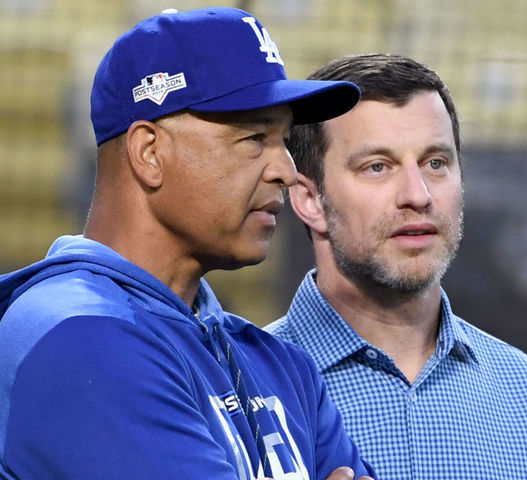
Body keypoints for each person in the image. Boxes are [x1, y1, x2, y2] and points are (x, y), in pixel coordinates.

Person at [0, 8, 376, 480]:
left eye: (285, 140)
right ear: (150, 153)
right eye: (255, 137)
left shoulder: (280, 363)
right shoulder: (76, 334)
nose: (284, 169)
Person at [266, 53, 527, 479]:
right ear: (309, 200)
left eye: (435, 163)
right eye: (377, 167)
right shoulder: (232, 389)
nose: (418, 194)